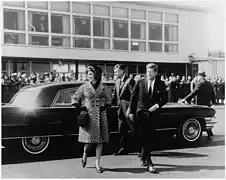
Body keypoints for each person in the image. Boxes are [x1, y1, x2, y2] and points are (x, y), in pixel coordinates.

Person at [127, 63, 168, 173]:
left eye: (151, 72)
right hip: (140, 113)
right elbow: (133, 97)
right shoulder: (140, 82)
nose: (148, 74)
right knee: (142, 137)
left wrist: (156, 106)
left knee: (149, 138)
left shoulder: (161, 84)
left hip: (153, 114)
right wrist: (130, 111)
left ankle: (147, 160)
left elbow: (165, 98)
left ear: (155, 72)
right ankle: (145, 157)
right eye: (147, 71)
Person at [71, 65, 112, 173]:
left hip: (101, 116)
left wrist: (106, 106)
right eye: (88, 74)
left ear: (96, 74)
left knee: (100, 141)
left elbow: (110, 98)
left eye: (90, 74)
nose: (88, 76)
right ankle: (85, 154)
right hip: (89, 116)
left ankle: (98, 163)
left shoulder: (103, 86)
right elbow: (75, 97)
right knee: (88, 142)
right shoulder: (84, 86)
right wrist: (80, 107)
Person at [180, 71, 216, 138]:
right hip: (207, 103)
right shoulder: (209, 83)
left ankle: (200, 133)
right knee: (206, 118)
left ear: (199, 76)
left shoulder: (200, 83)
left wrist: (185, 99)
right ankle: (209, 132)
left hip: (200, 104)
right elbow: (213, 93)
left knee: (200, 119)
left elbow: (194, 92)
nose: (197, 77)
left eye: (197, 76)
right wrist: (213, 102)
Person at [112, 64, 135, 155]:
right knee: (122, 130)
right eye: (114, 72)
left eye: (116, 72)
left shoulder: (130, 81)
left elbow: (133, 96)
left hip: (129, 109)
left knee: (134, 129)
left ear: (122, 71)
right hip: (120, 110)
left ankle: (140, 149)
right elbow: (114, 94)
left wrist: (131, 109)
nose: (115, 73)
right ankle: (123, 148)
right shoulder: (117, 81)